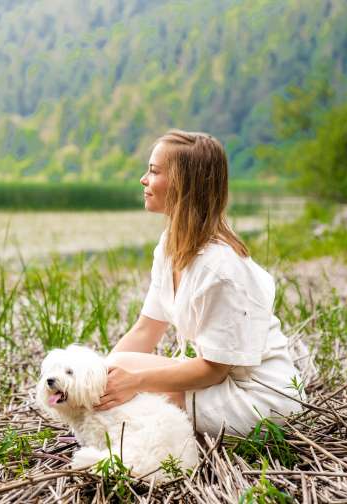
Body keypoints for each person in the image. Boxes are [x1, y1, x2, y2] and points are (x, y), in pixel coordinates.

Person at [94, 129, 304, 437]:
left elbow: (214, 368)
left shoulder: (220, 268)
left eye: (153, 171)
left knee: (136, 392)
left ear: (182, 183)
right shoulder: (170, 247)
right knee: (117, 366)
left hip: (257, 400)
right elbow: (145, 331)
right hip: (221, 383)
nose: (143, 179)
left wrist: (136, 381)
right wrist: (96, 379)